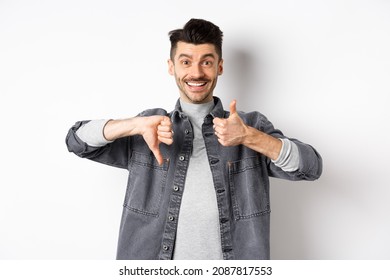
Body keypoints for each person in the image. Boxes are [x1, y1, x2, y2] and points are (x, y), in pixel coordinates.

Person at [66, 18, 322, 260]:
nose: (196, 73)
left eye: (206, 62)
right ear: (171, 67)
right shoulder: (149, 127)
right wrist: (133, 125)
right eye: (186, 62)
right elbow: (76, 140)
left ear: (220, 66)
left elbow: (311, 167)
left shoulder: (250, 126)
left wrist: (249, 137)